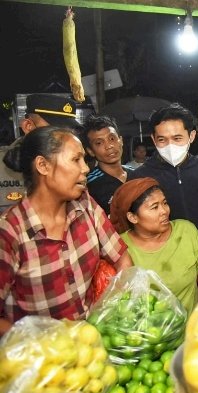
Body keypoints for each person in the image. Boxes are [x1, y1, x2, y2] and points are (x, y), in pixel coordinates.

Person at [0, 126, 133, 334]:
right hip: (41, 360)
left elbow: (121, 257)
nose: (86, 168)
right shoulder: (10, 232)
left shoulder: (85, 205)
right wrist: (37, 343)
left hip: (91, 343)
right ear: (43, 165)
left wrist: (116, 309)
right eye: (76, 160)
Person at [129, 103, 198, 260]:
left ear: (192, 136)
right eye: (162, 140)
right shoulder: (140, 177)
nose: (170, 146)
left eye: (177, 138)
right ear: (153, 139)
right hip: (167, 264)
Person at [109, 178, 198, 314]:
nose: (164, 211)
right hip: (150, 332)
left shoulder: (186, 230)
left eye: (164, 203)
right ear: (132, 217)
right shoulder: (120, 247)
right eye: (154, 207)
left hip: (194, 329)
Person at [1, 94, 81, 211]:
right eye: (54, 131)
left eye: (69, 132)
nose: (64, 138)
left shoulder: (77, 164)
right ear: (28, 126)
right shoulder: (2, 166)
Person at [79, 114, 132, 214]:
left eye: (112, 138)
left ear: (121, 140)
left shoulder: (137, 174)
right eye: (99, 143)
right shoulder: (89, 186)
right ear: (90, 151)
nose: (109, 146)